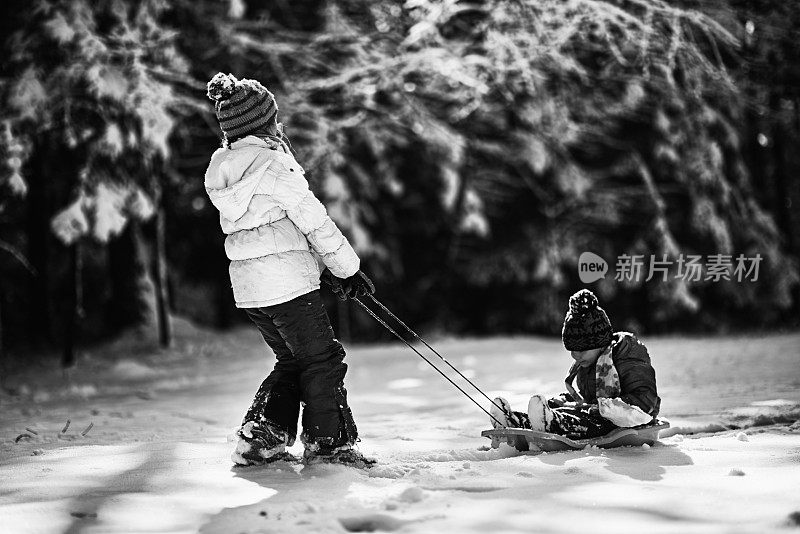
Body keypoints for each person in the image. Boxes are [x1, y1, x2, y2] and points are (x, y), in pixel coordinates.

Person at [204, 72, 375, 466]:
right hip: (287, 286)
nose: (279, 124)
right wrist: (347, 269)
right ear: (264, 122)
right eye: (274, 117)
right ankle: (330, 445)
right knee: (323, 360)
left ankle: (261, 437)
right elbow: (313, 221)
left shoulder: (226, 171)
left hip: (251, 290)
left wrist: (323, 267)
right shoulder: (273, 167)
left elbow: (281, 230)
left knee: (294, 360)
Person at [491, 289, 660, 440]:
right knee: (568, 409)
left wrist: (605, 407)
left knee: (592, 422)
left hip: (630, 421)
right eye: (572, 350)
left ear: (600, 343)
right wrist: (564, 401)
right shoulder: (590, 361)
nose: (575, 355)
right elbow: (586, 397)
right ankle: (516, 421)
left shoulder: (627, 357)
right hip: (597, 412)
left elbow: (645, 399)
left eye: (582, 350)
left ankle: (552, 423)